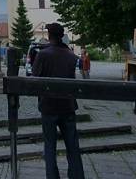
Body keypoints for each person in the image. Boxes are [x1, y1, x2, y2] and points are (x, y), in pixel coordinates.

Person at [32, 23, 84, 179]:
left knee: (49, 146)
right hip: (68, 106)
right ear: (61, 36)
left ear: (49, 35)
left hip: (49, 106)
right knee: (73, 146)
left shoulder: (43, 54)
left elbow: (35, 78)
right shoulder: (70, 55)